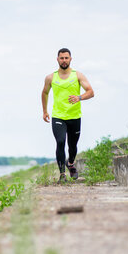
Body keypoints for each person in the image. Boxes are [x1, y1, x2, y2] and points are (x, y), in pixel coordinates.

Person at [41, 48, 94, 182]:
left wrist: (79, 97)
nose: (64, 60)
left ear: (70, 59)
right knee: (60, 142)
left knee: (72, 146)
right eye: (61, 58)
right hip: (58, 116)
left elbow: (90, 92)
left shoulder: (78, 75)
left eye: (66, 58)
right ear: (57, 59)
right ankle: (62, 175)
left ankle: (70, 163)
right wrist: (45, 111)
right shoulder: (50, 77)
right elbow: (45, 93)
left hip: (74, 116)